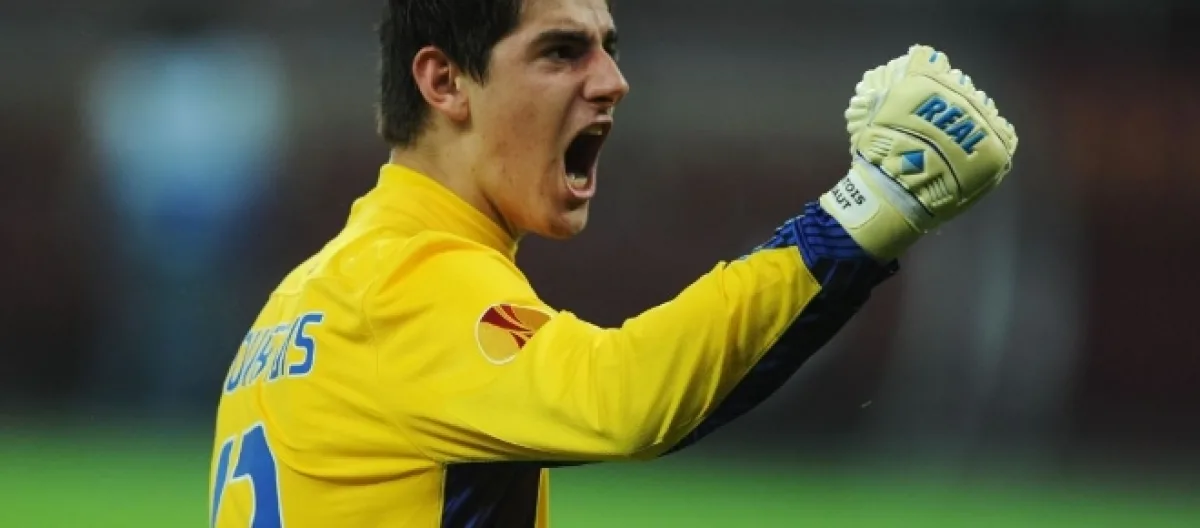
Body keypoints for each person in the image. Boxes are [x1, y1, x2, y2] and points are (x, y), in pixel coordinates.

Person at [208, 0, 1017, 526]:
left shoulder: (300, 301)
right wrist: (867, 210)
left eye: (608, 47)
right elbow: (626, 397)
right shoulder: (406, 282)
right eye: (562, 51)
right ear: (445, 81)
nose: (613, 81)